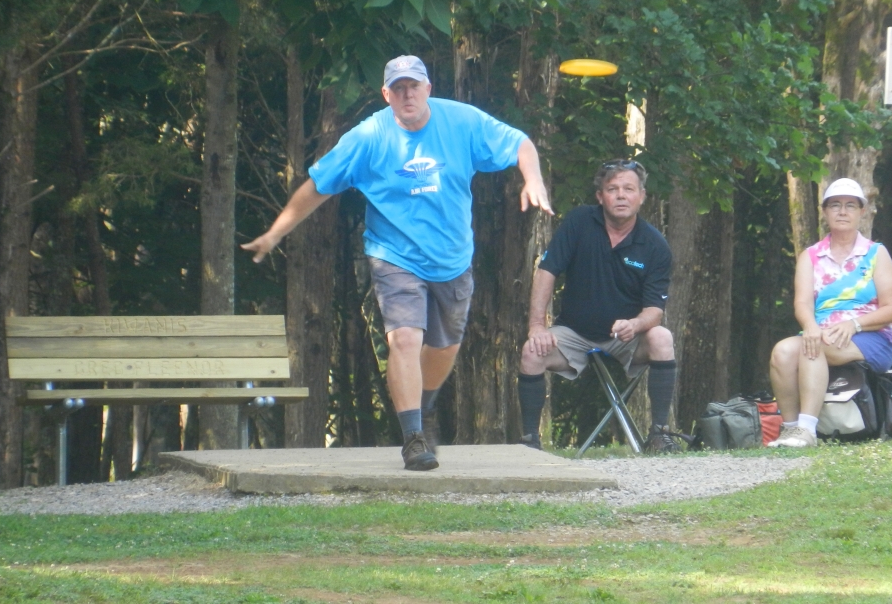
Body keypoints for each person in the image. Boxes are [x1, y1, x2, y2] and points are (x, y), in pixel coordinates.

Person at [242, 55, 553, 471]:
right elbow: (317, 185)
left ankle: (420, 408)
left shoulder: (460, 122)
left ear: (428, 88)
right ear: (386, 95)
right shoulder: (368, 137)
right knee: (404, 339)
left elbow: (520, 143)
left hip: (452, 257)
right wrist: (276, 232)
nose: (408, 94)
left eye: (415, 86)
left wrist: (532, 179)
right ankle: (413, 436)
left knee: (444, 347)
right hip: (394, 255)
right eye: (398, 88)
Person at [517, 159, 680, 453]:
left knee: (662, 337)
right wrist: (537, 326)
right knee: (532, 351)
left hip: (626, 339)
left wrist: (635, 325)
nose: (620, 195)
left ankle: (659, 433)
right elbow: (547, 272)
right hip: (574, 333)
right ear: (600, 196)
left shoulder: (655, 245)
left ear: (641, 196)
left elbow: (655, 311)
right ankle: (530, 441)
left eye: (629, 189)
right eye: (612, 189)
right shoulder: (579, 222)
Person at [768, 178, 892, 448]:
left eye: (850, 205)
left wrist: (854, 325)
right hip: (823, 333)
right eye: (835, 205)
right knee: (782, 352)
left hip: (871, 335)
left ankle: (807, 429)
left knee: (814, 347)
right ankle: (791, 429)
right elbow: (803, 303)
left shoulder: (876, 254)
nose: (843, 211)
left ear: (861, 212)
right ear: (825, 211)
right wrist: (811, 326)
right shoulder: (811, 256)